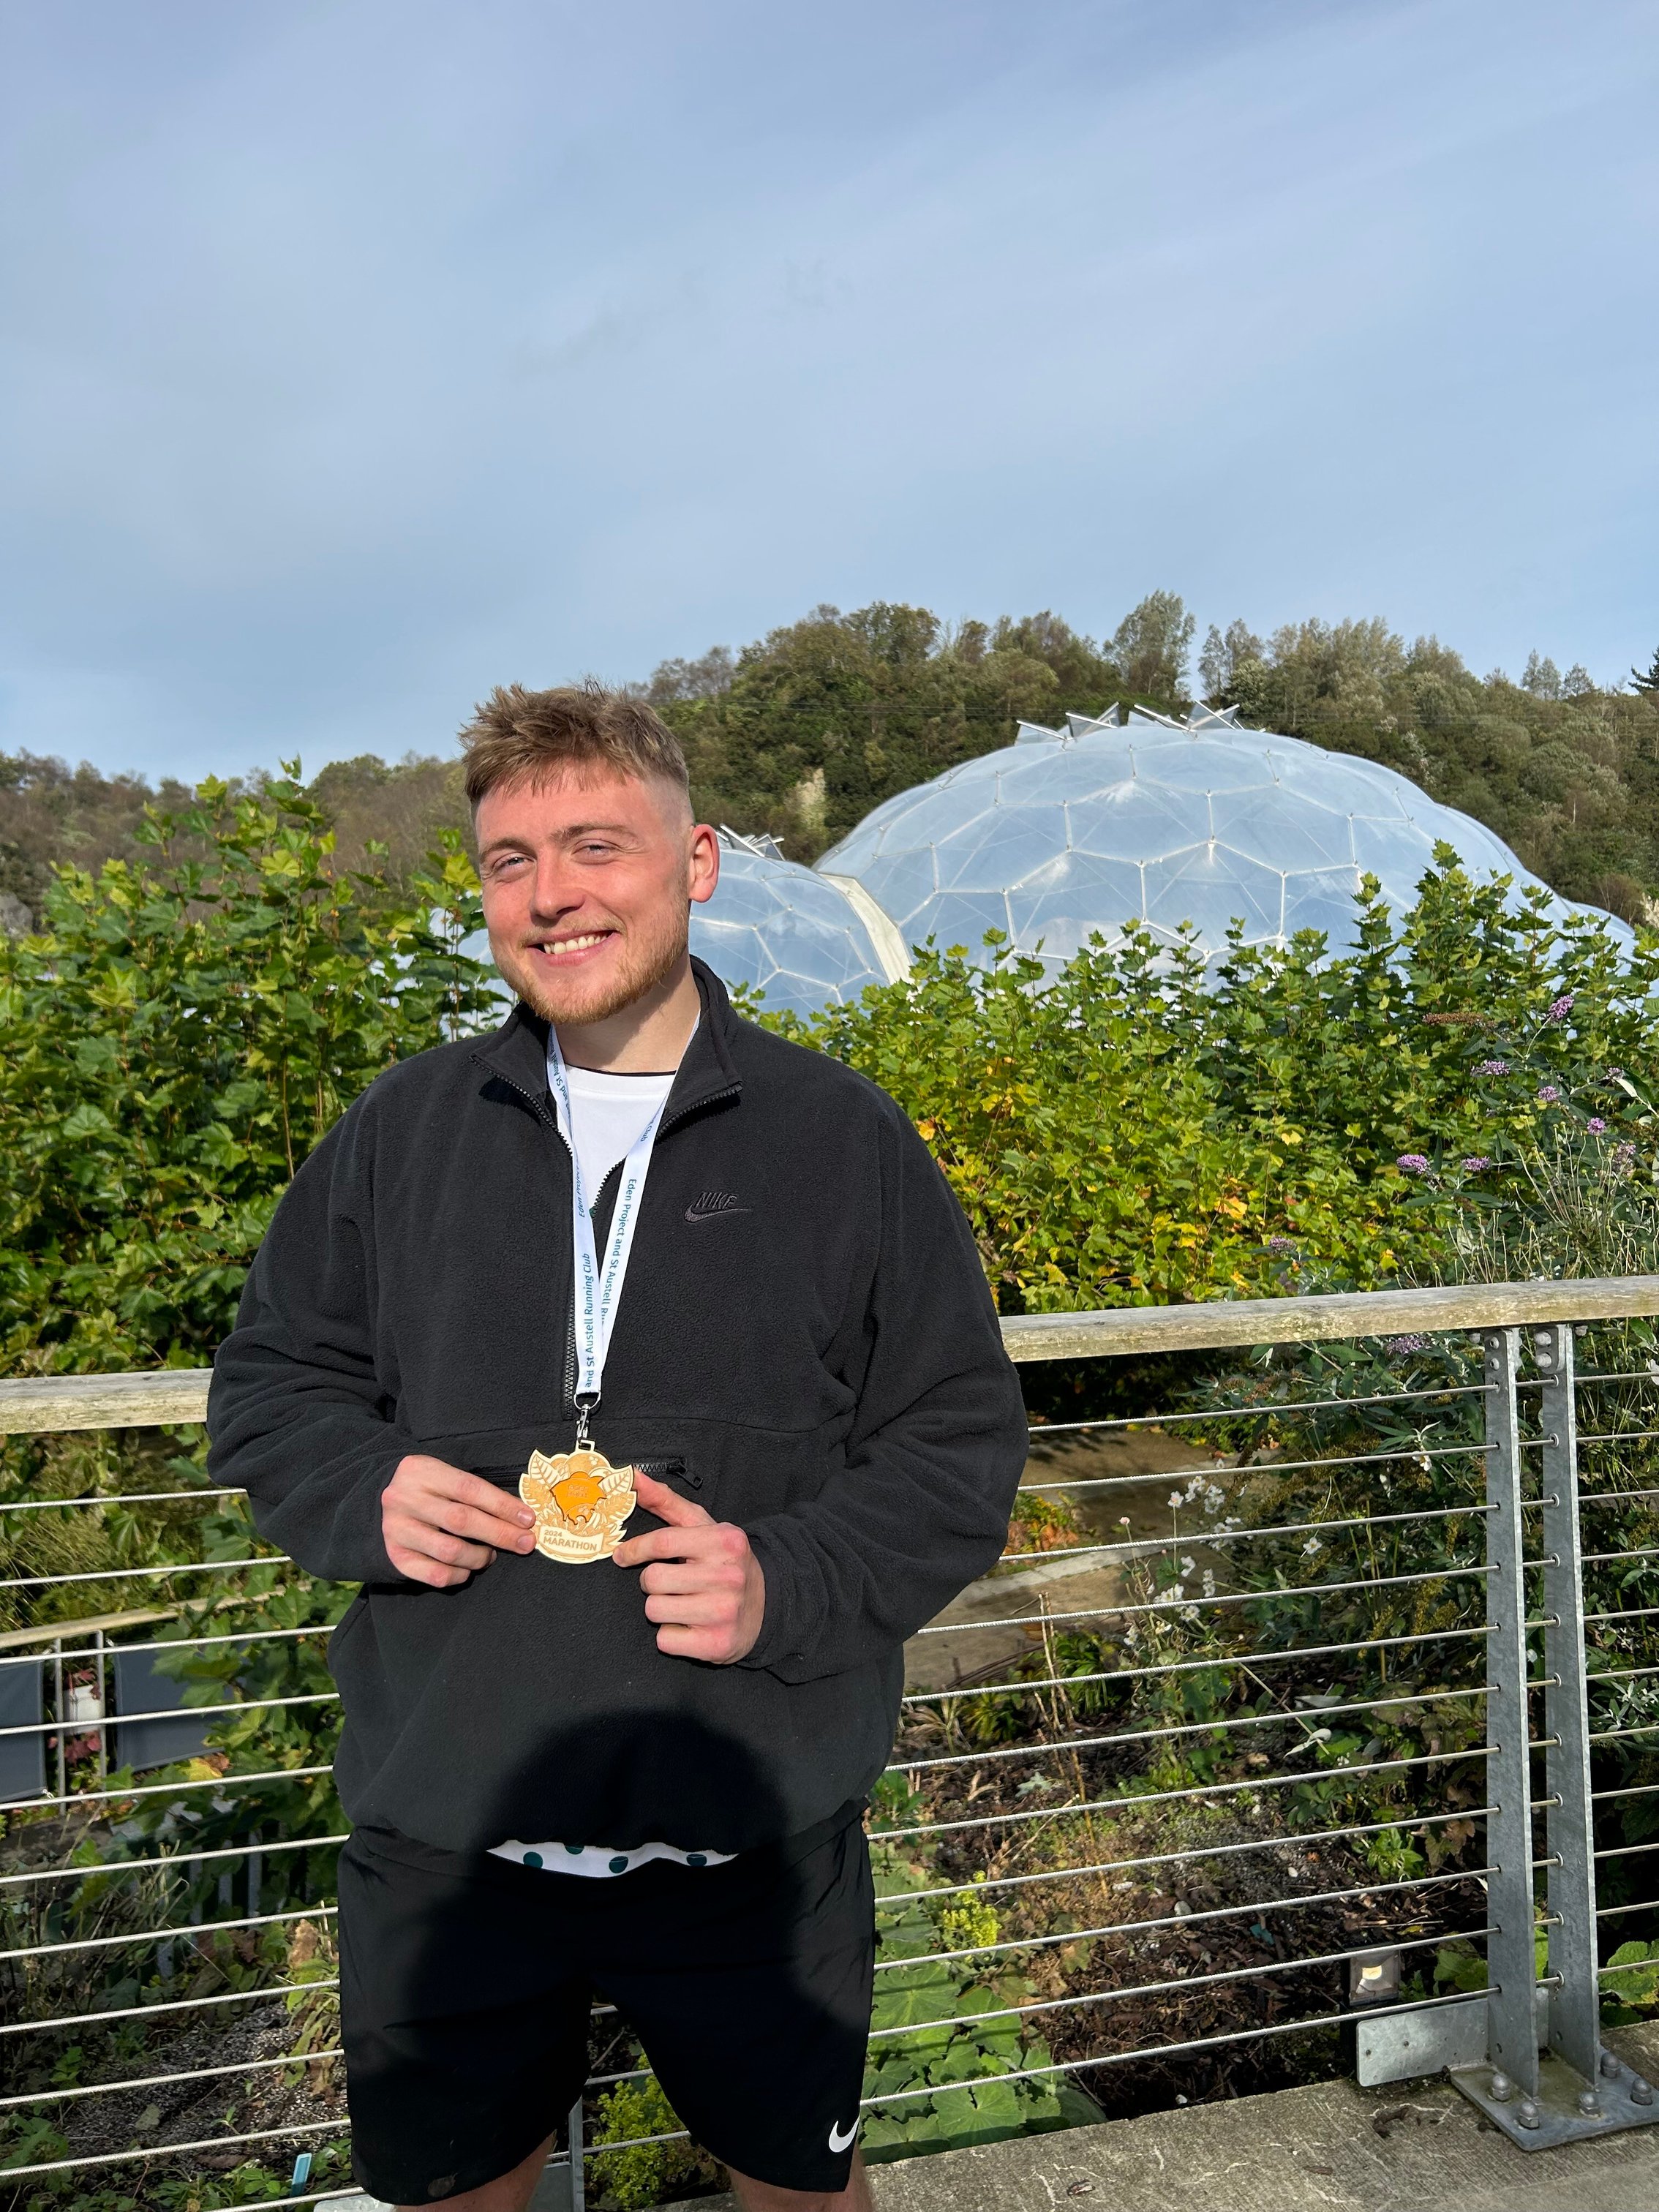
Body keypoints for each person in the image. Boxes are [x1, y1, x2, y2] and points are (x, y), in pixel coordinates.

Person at [207, 682, 1029, 2212]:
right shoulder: (399, 1133)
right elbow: (271, 1382)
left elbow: (956, 1440)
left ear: (696, 861)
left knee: (801, 2193)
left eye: (597, 845)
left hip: (750, 1835)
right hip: (448, 1831)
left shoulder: (845, 1141)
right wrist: (361, 1487)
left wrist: (787, 1577)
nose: (552, 893)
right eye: (511, 861)